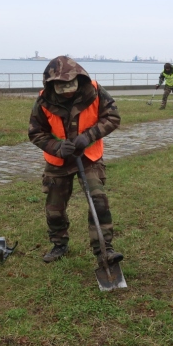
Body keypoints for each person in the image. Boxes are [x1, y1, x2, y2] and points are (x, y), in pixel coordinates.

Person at [28, 56, 123, 266]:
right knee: (55, 207)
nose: (68, 91)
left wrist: (88, 137)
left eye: (71, 85)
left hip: (88, 157)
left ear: (79, 78)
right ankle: (59, 244)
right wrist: (58, 147)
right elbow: (35, 133)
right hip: (58, 161)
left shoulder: (95, 91)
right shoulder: (44, 100)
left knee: (98, 201)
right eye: (62, 87)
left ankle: (104, 250)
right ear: (52, 84)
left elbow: (113, 117)